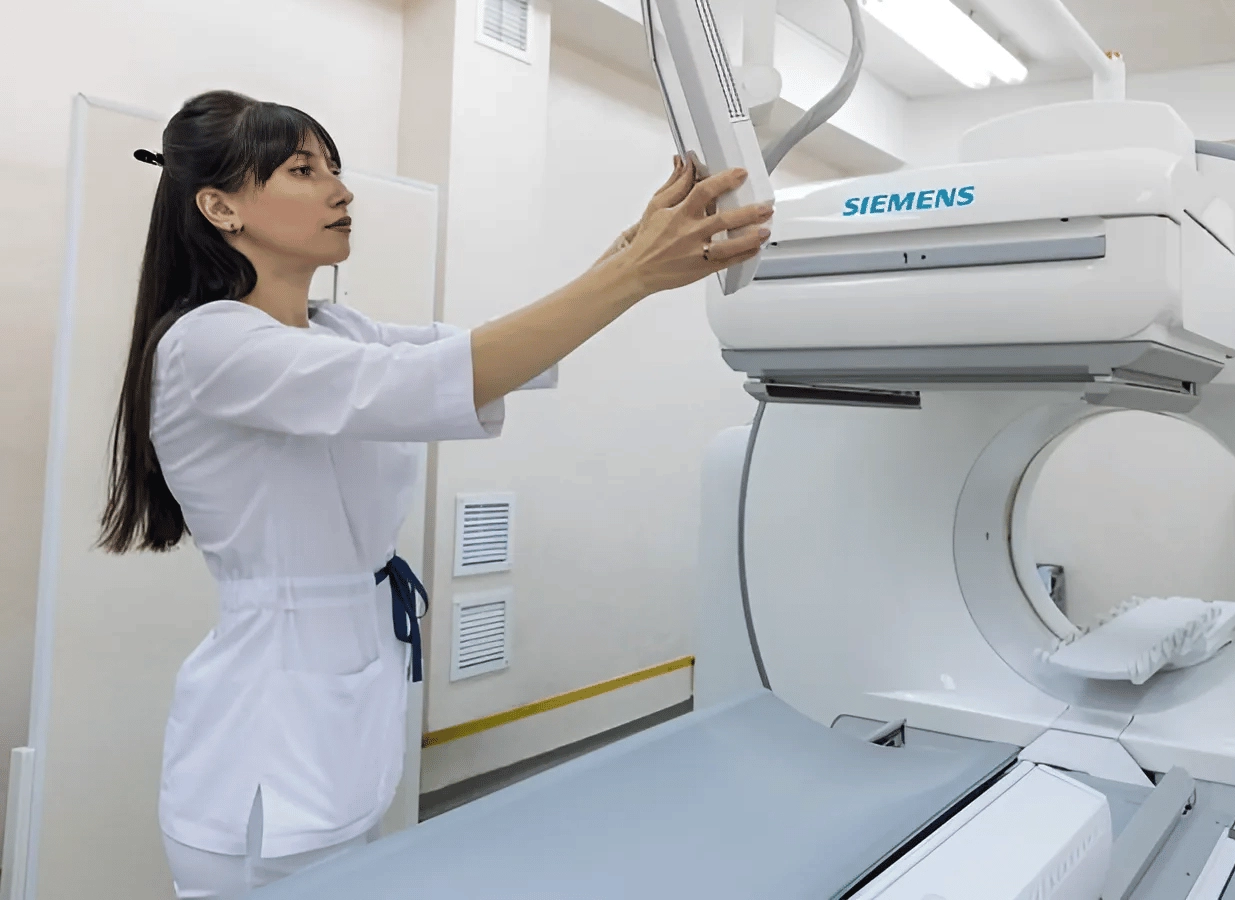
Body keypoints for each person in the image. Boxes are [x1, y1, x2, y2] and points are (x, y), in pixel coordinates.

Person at [98, 89, 772, 898]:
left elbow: (481, 354)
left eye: (335, 168)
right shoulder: (210, 343)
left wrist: (633, 252)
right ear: (220, 207)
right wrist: (633, 275)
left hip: (344, 725)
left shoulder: (337, 330)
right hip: (261, 765)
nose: (341, 191)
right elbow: (434, 381)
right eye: (304, 171)